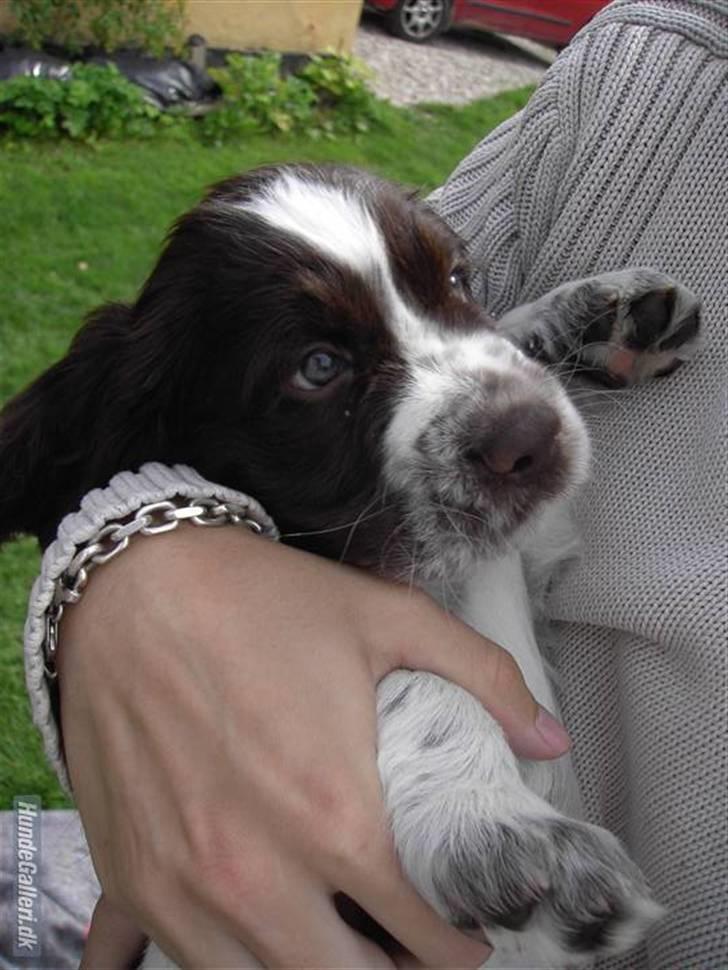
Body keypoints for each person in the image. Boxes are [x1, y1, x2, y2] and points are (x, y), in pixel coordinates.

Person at [22, 0, 727, 965]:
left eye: (455, 285)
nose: (511, 410)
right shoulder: (650, 77)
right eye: (318, 368)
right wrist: (122, 562)